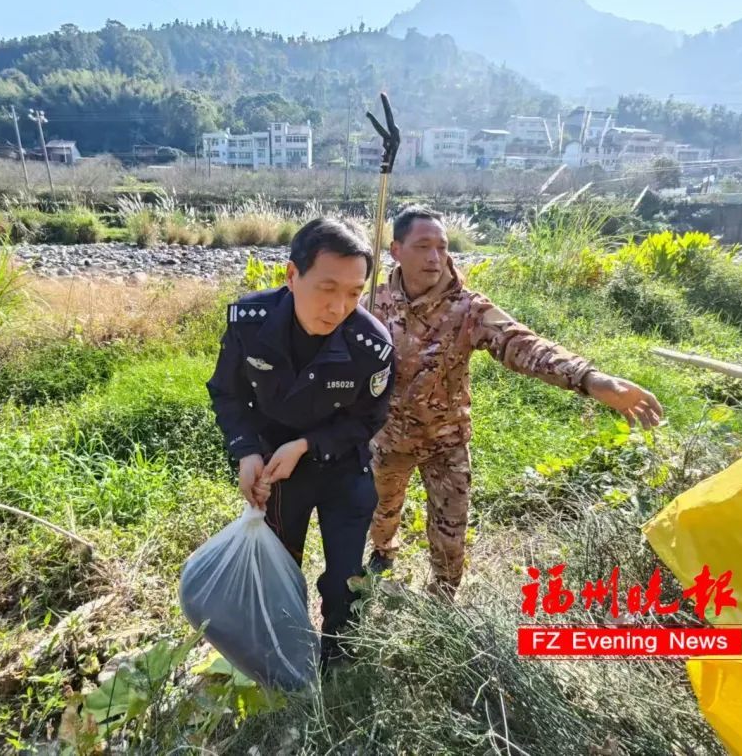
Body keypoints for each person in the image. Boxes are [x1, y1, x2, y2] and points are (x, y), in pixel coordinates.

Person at [366, 205, 663, 597]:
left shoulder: (468, 308)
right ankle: (384, 553)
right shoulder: (373, 300)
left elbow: (523, 345)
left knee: (451, 534)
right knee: (382, 514)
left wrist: (591, 379)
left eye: (441, 246)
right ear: (396, 250)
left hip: (446, 442)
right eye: (423, 246)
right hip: (388, 440)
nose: (435, 257)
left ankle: (442, 598)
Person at [206, 217, 395, 667]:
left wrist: (307, 445)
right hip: (275, 473)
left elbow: (367, 419)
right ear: (292, 276)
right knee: (277, 569)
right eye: (327, 288)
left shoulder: (372, 346)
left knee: (345, 576)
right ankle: (281, 654)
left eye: (354, 292)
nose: (339, 307)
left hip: (342, 469)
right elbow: (227, 393)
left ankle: (339, 658)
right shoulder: (250, 324)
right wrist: (246, 451)